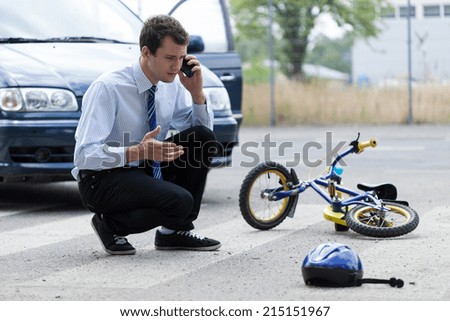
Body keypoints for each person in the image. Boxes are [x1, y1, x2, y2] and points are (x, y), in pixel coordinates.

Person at [72, 15, 221, 255]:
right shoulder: (108, 87)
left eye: (181, 57)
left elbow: (202, 134)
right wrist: (137, 151)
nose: (176, 65)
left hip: (144, 166)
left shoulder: (172, 84)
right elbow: (83, 156)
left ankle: (174, 233)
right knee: (181, 201)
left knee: (202, 137)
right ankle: (109, 225)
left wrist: (197, 95)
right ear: (146, 52)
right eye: (170, 58)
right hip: (101, 179)